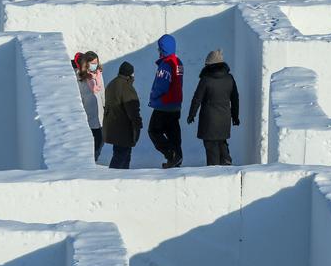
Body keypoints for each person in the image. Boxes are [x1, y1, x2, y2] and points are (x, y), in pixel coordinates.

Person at [187, 49, 240, 166]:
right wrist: (235, 117)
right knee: (222, 141)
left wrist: (192, 114)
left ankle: (214, 171)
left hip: (209, 119)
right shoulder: (229, 78)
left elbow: (197, 99)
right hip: (224, 118)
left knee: (211, 146)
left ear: (210, 65)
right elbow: (235, 99)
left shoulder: (206, 80)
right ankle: (226, 161)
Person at [148, 34, 184, 169]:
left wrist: (153, 96)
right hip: (176, 104)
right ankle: (177, 158)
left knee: (154, 131)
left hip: (163, 104)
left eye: (159, 49)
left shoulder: (165, 65)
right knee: (173, 132)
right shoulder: (178, 62)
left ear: (163, 49)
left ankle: (172, 155)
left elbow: (161, 85)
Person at [103, 62, 143, 169]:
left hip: (113, 127)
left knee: (122, 155)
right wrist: (138, 124)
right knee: (121, 157)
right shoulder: (126, 87)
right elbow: (133, 109)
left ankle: (124, 178)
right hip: (123, 129)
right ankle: (113, 179)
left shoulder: (111, 84)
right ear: (130, 74)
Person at [77, 51, 105, 162]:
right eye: (92, 63)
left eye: (96, 62)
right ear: (86, 63)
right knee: (94, 140)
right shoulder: (80, 76)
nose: (95, 65)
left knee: (101, 140)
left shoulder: (98, 74)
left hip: (100, 113)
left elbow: (102, 91)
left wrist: (105, 105)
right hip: (88, 113)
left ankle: (94, 159)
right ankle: (91, 161)